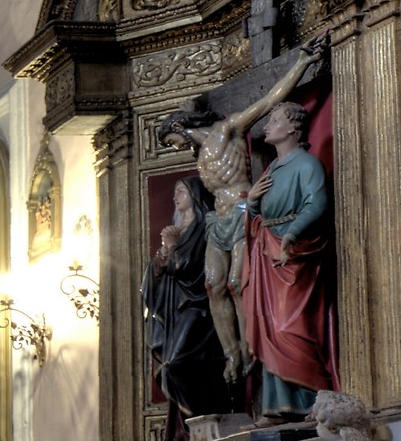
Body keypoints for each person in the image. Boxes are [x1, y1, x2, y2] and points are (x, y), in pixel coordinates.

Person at [157, 40, 322, 381]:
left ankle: (251, 349)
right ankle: (231, 354)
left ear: (177, 129)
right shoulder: (200, 155)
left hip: (244, 209)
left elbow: (268, 100)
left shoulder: (228, 129)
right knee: (213, 284)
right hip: (217, 219)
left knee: (236, 282)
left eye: (170, 141)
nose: (175, 148)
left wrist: (301, 63)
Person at [241, 96, 335, 417]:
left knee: (289, 327)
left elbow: (316, 204)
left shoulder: (307, 164)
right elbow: (260, 215)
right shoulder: (272, 168)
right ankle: (279, 405)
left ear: (294, 127)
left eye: (275, 120)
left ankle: (307, 401)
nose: (267, 126)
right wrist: (252, 201)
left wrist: (292, 235)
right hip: (269, 252)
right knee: (269, 327)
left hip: (294, 254)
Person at [142, 173, 236, 421]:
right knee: (169, 368)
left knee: (176, 364)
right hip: (175, 309)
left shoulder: (204, 227)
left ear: (194, 196)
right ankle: (196, 424)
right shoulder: (177, 230)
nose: (175, 197)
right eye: (174, 192)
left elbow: (191, 267)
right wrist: (161, 258)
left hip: (197, 307)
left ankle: (204, 416)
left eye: (181, 192)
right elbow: (157, 276)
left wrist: (172, 247)